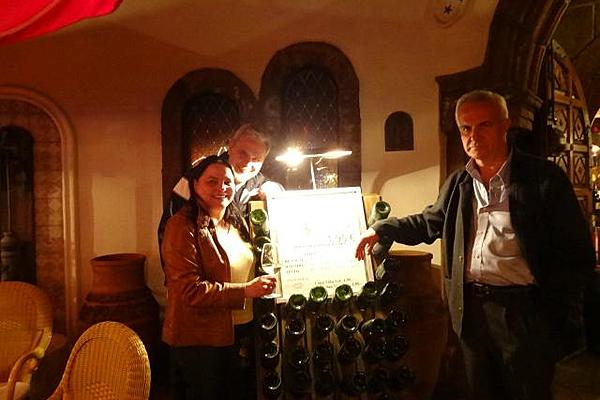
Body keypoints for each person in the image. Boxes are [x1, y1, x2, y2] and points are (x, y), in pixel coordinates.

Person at [355, 90, 595, 400]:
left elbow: (576, 254)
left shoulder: (543, 179)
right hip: (471, 311)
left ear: (505, 125)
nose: (473, 136)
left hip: (523, 313)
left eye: (484, 125)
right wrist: (380, 228)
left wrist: (552, 316)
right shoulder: (460, 182)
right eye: (466, 128)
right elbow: (429, 223)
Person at [161, 155, 277, 399]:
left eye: (227, 182)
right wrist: (245, 290)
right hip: (202, 340)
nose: (221, 188)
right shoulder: (181, 226)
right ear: (195, 185)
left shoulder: (236, 223)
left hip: (241, 330)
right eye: (211, 181)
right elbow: (189, 291)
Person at [158, 123, 283, 263]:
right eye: (243, 153)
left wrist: (278, 198)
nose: (248, 163)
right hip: (198, 271)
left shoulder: (264, 187)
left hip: (245, 272)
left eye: (256, 159)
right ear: (230, 146)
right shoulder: (196, 177)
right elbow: (168, 231)